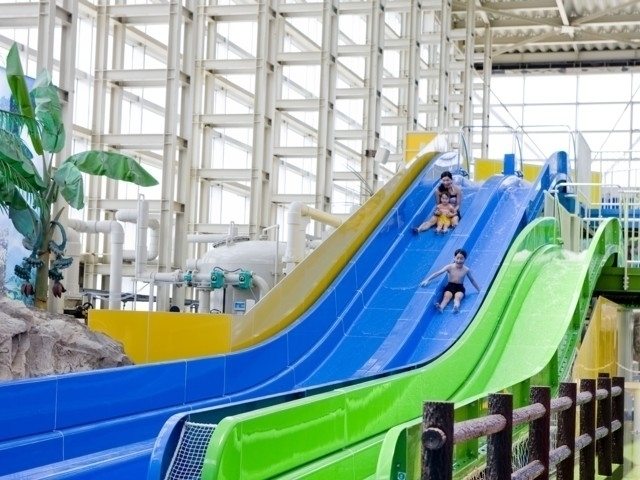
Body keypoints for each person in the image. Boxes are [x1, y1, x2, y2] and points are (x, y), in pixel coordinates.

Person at [419, 248, 480, 313]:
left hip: (460, 288)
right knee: (446, 297)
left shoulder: (466, 270)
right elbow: (438, 273)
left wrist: (479, 290)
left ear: (465, 259)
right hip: (450, 287)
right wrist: (427, 280)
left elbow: (472, 280)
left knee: (457, 298)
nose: (459, 261)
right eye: (457, 258)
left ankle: (456, 306)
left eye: (461, 258)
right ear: (454, 258)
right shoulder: (449, 267)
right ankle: (441, 307)